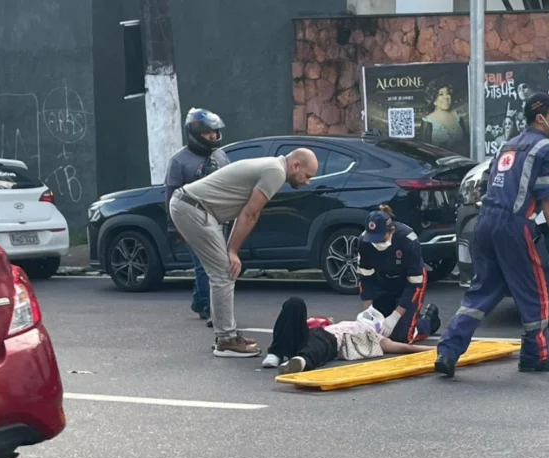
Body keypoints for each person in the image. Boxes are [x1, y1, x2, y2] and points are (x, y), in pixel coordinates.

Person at [434, 92, 549, 378]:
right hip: (515, 226)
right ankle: (536, 355)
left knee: (482, 290)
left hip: (485, 223)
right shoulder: (547, 150)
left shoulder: (508, 146)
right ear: (541, 117)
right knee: (538, 288)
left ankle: (447, 351)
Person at [169, 148, 319, 357]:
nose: (307, 182)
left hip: (192, 207)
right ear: (295, 165)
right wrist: (232, 251)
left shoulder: (272, 166)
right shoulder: (275, 171)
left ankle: (226, 336)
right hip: (194, 208)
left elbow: (245, 213)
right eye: (307, 176)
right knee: (224, 272)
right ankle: (227, 341)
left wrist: (232, 249)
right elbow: (250, 212)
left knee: (221, 272)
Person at [165, 108, 230, 325]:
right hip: (192, 219)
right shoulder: (179, 161)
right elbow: (170, 193)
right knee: (204, 265)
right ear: (194, 134)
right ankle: (208, 307)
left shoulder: (220, 156)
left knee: (217, 264)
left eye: (214, 132)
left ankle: (199, 300)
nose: (212, 136)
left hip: (218, 218)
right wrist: (174, 226)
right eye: (207, 133)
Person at [264, 297, 434, 374]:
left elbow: (404, 347)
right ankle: (276, 353)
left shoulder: (376, 337)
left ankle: (302, 361)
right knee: (295, 303)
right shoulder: (344, 323)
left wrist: (435, 349)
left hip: (331, 342)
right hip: (311, 334)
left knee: (319, 345)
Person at [357, 205, 441, 344]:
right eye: (374, 239)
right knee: (374, 331)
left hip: (409, 281)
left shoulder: (408, 240)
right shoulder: (364, 242)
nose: (377, 243)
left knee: (402, 335)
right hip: (383, 280)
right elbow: (366, 277)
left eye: (381, 238)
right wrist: (368, 312)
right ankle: (407, 315)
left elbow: (414, 284)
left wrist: (395, 317)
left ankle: (428, 320)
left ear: (391, 231)